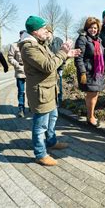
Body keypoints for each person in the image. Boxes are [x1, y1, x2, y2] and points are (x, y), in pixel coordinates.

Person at [19, 15, 80, 166]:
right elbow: (48, 66)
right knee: (40, 126)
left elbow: (53, 59)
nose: (47, 31)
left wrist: (67, 55)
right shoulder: (29, 47)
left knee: (53, 117)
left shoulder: (40, 43)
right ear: (35, 31)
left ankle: (51, 142)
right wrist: (63, 51)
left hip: (49, 90)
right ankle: (40, 154)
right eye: (43, 28)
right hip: (40, 92)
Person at [74, 17, 105, 127]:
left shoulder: (98, 40)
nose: (93, 30)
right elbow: (78, 58)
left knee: (94, 94)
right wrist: (82, 72)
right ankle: (90, 117)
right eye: (91, 28)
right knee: (92, 94)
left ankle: (90, 115)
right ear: (87, 28)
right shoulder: (82, 39)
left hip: (97, 72)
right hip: (88, 72)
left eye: (96, 28)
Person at [8, 30, 27, 118]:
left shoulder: (31, 45)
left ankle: (32, 106)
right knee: (21, 91)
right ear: (20, 36)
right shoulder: (14, 45)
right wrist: (17, 65)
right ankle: (21, 109)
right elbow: (10, 57)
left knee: (33, 90)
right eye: (22, 35)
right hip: (20, 71)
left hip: (31, 71)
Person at [45, 25, 65, 107]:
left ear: (51, 32)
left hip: (59, 67)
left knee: (59, 85)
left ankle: (59, 102)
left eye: (47, 32)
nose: (46, 35)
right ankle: (52, 102)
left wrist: (62, 65)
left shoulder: (58, 41)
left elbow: (63, 53)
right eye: (45, 32)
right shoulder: (43, 43)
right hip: (49, 68)